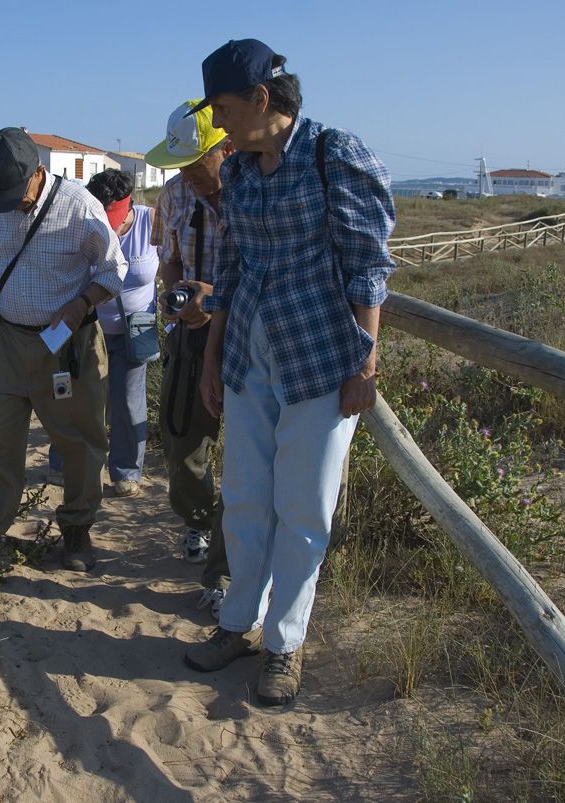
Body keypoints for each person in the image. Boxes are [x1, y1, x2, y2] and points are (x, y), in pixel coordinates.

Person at [183, 39, 396, 707]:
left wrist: (366, 356)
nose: (217, 124)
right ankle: (237, 623)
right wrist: (213, 359)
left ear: (261, 99)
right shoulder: (241, 173)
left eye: (221, 107)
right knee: (244, 498)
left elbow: (368, 265)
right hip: (251, 355)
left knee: (303, 509)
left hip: (320, 361)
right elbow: (238, 268)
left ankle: (284, 643)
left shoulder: (336, 156)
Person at [0, 127, 127, 572]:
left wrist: (80, 303)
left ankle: (77, 532)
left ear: (38, 174)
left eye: (16, 192)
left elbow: (113, 269)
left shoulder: (80, 207)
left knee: (79, 441)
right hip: (8, 341)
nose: (9, 202)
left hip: (67, 346)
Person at [144, 100, 235, 614]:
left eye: (197, 162)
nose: (188, 175)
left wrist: (215, 297)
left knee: (244, 463)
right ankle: (199, 519)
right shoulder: (175, 193)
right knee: (180, 444)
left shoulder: (254, 194)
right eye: (181, 164)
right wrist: (178, 291)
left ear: (226, 149)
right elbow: (170, 257)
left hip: (244, 339)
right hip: (189, 337)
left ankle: (223, 569)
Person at [48, 169, 158, 498]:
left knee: (128, 401)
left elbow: (171, 261)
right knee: (77, 398)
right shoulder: (83, 225)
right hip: (89, 326)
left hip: (135, 327)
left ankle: (125, 472)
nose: (108, 221)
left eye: (114, 213)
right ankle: (65, 463)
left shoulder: (150, 222)